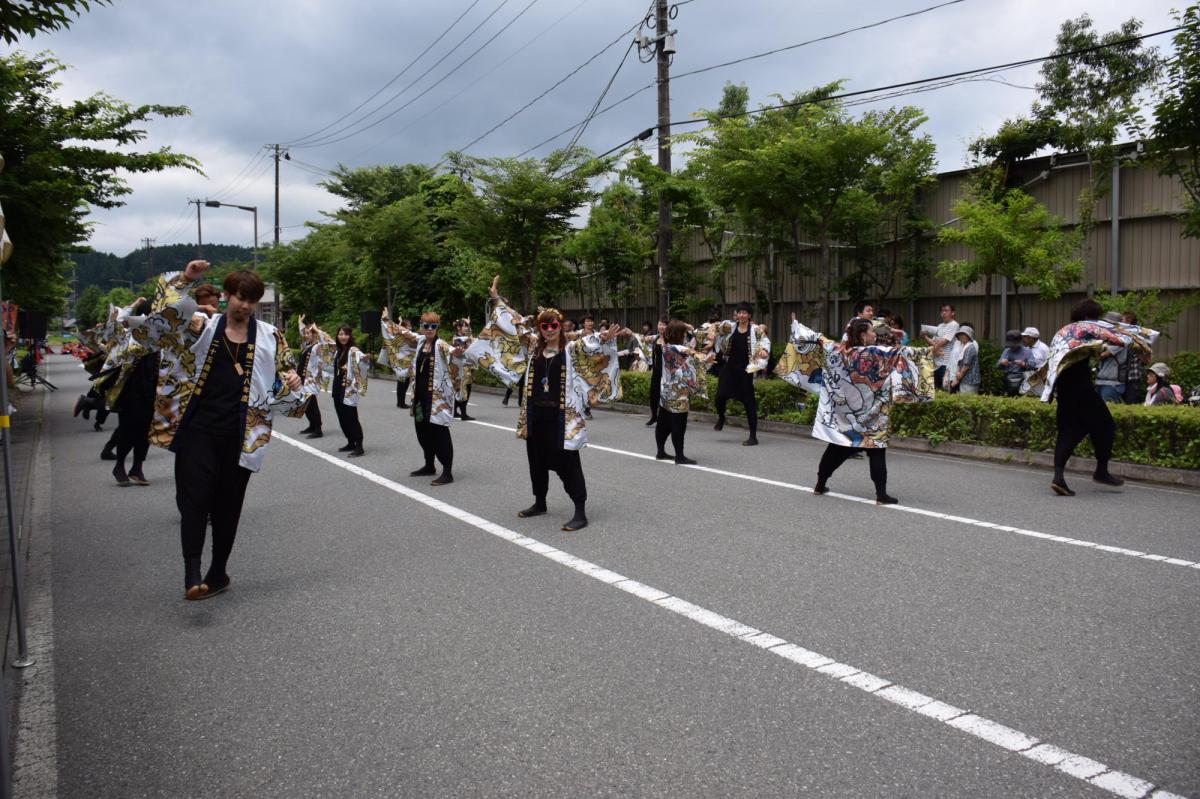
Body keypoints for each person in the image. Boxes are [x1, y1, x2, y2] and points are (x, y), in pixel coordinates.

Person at [125, 261, 309, 600]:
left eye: (251, 300)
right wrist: (185, 278)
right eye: (240, 298)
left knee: (228, 507)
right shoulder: (202, 327)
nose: (245, 306)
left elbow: (288, 386)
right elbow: (163, 314)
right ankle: (192, 573)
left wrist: (293, 381)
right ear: (226, 296)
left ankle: (218, 572)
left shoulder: (270, 337)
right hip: (198, 430)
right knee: (194, 501)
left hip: (241, 437)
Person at [468, 277, 622, 531]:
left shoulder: (570, 350)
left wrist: (603, 338)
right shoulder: (533, 348)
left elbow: (591, 344)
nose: (549, 329)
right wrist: (497, 299)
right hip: (536, 414)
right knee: (536, 459)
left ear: (560, 327)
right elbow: (514, 323)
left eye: (553, 325)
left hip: (562, 417)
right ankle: (540, 502)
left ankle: (580, 511)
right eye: (544, 325)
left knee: (567, 463)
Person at [777, 314, 933, 504]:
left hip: (845, 416)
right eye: (871, 332)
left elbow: (818, 338)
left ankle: (820, 484)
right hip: (874, 415)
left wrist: (796, 325)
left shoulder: (838, 350)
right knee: (877, 450)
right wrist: (932, 349)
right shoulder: (877, 353)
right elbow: (908, 354)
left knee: (835, 449)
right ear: (862, 335)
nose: (874, 335)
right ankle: (881, 495)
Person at [1039, 298, 1157, 496]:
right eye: (1095, 316)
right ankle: (1101, 471)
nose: (1097, 321)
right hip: (1081, 388)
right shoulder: (1086, 328)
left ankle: (1058, 477)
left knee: (1069, 431)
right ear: (1087, 317)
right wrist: (1140, 343)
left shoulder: (1063, 331)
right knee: (1106, 426)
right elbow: (1117, 339)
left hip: (1064, 390)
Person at [397, 312, 462, 486]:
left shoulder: (440, 344)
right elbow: (402, 333)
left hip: (437, 398)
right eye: (426, 326)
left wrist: (456, 352)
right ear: (421, 327)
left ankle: (447, 471)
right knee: (422, 431)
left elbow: (450, 351)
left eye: (433, 326)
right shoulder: (419, 342)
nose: (430, 329)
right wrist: (387, 321)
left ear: (437, 328)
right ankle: (429, 465)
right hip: (420, 396)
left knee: (440, 433)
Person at [711, 302, 770, 446]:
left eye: (745, 312)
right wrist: (714, 327)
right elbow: (715, 330)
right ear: (736, 314)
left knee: (749, 402)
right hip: (730, 367)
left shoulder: (755, 329)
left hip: (746, 369)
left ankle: (753, 436)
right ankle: (721, 417)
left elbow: (765, 341)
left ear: (749, 315)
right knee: (720, 396)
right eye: (739, 312)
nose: (742, 315)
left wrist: (764, 351)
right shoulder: (730, 327)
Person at [654, 319, 708, 465]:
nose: (685, 336)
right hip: (679, 392)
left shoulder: (666, 346)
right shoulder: (681, 349)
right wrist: (692, 328)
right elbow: (700, 351)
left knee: (663, 423)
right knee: (679, 424)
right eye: (684, 333)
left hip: (665, 390)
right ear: (679, 334)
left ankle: (660, 451)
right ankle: (679, 455)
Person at [310, 323, 369, 457]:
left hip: (348, 389)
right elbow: (326, 342)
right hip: (338, 387)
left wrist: (364, 361)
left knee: (351, 417)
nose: (343, 337)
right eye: (341, 334)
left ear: (350, 336)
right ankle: (350, 442)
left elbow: (362, 361)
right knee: (342, 417)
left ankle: (359, 446)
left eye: (346, 334)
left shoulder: (353, 350)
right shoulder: (338, 350)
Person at [381, 310, 416, 408]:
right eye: (407, 326)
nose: (409, 327)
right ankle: (400, 402)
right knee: (402, 382)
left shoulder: (406, 334)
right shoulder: (402, 334)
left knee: (404, 382)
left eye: (410, 326)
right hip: (403, 360)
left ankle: (401, 402)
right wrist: (387, 321)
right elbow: (393, 330)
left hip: (408, 361)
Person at [295, 316, 323, 438]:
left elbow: (327, 342)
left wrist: (317, 331)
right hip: (302, 378)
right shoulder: (306, 344)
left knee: (312, 404)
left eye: (309, 333)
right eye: (305, 333)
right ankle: (312, 425)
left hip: (311, 379)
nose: (306, 335)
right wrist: (300, 323)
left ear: (314, 334)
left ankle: (318, 429)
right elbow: (303, 332)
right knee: (305, 403)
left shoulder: (317, 346)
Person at [923, 303, 959, 389]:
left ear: (953, 313)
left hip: (947, 363)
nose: (943, 313)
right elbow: (932, 342)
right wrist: (925, 336)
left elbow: (942, 342)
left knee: (945, 389)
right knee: (936, 390)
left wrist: (934, 343)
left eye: (946, 310)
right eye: (942, 311)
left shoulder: (954, 325)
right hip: (936, 363)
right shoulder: (939, 326)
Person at [450, 317, 476, 421]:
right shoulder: (457, 339)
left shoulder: (465, 337)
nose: (465, 328)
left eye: (466, 326)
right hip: (460, 367)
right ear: (458, 327)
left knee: (461, 389)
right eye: (464, 326)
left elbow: (472, 341)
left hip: (466, 366)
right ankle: (463, 413)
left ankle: (455, 410)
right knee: (464, 389)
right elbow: (464, 350)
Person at [996, 330, 1035, 397]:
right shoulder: (1007, 351)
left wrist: (1023, 364)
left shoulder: (1027, 351)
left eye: (1014, 345)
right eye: (1011, 345)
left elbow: (1033, 365)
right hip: (1008, 379)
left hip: (1023, 379)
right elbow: (997, 365)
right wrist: (1002, 363)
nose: (1012, 347)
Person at [947, 325, 980, 394]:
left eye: (964, 334)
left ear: (969, 336)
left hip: (970, 380)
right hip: (965, 380)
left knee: (968, 402)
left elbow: (966, 365)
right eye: (960, 334)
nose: (961, 336)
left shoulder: (969, 348)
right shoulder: (964, 347)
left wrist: (957, 379)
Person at [1121, 312, 1144, 404]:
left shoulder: (1136, 336)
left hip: (1133, 375)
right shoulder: (1124, 335)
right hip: (1123, 376)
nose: (1120, 323)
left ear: (1128, 321)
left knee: (1130, 403)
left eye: (1122, 320)